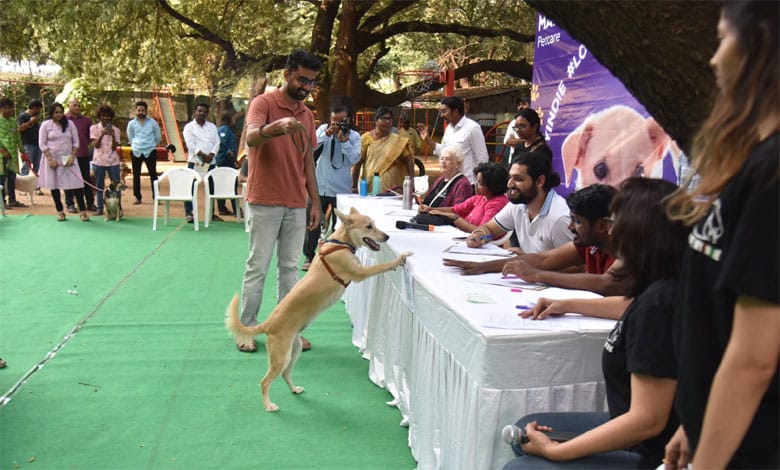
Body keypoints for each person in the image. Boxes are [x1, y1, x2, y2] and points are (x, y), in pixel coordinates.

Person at [663, 3, 779, 468]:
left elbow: (755, 358)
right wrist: (696, 423)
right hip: (719, 431)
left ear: (760, 46)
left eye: (722, 39)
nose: (713, 59)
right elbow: (716, 319)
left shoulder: (773, 174)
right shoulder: (752, 158)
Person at [504, 177, 688, 469]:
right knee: (525, 432)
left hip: (652, 452)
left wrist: (557, 452)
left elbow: (647, 421)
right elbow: (626, 306)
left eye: (615, 221)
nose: (611, 230)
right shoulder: (660, 286)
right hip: (640, 431)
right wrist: (566, 304)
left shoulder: (659, 303)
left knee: (523, 466)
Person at [237, 49, 322, 353]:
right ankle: (246, 329)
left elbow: (308, 163)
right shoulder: (264, 103)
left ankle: (288, 331)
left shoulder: (308, 114)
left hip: (297, 203)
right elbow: (252, 138)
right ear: (286, 75)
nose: (307, 87)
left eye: (312, 82)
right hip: (264, 200)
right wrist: (278, 126)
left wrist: (315, 203)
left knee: (289, 269)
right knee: (257, 267)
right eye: (302, 80)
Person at [453, 152, 572, 256]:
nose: (509, 184)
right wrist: (481, 236)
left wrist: (531, 261)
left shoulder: (560, 218)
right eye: (510, 177)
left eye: (518, 179)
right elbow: (491, 231)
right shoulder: (518, 205)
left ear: (540, 181)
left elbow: (575, 267)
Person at [302, 105, 361, 271]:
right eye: (333, 120)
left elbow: (355, 159)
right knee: (312, 222)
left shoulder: (354, 136)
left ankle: (336, 257)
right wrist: (326, 135)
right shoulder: (322, 129)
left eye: (341, 121)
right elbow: (310, 148)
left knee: (339, 226)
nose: (337, 124)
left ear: (348, 119)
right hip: (320, 185)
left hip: (341, 189)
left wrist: (345, 142)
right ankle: (309, 255)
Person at [417, 95, 489, 185]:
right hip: (451, 181)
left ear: (455, 111)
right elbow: (444, 151)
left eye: (444, 111)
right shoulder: (449, 129)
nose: (442, 115)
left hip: (469, 182)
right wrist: (427, 140)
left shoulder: (472, 128)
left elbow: (482, 157)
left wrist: (479, 183)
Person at [38, 102, 89, 222]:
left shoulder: (70, 124)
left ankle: (82, 211)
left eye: (61, 112)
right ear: (51, 113)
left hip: (68, 158)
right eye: (56, 112)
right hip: (52, 158)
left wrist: (72, 157)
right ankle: (60, 211)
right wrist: (50, 159)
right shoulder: (46, 125)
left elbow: (76, 142)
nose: (59, 114)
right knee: (54, 185)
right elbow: (42, 143)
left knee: (76, 184)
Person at [426, 161, 508, 233]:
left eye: (480, 183)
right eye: (476, 180)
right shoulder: (480, 197)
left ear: (492, 186)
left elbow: (482, 233)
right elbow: (455, 209)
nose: (475, 184)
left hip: (484, 245)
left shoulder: (497, 204)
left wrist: (454, 218)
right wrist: (430, 209)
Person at [352, 106, 413, 194]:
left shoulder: (397, 141)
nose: (387, 121)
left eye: (389, 119)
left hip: (392, 189)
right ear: (376, 120)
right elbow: (357, 162)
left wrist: (411, 182)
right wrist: (354, 187)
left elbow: (408, 161)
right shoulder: (366, 138)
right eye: (383, 118)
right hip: (370, 185)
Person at [182, 102, 221, 223]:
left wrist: (212, 154)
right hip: (196, 161)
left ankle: (211, 213)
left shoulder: (212, 127)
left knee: (212, 188)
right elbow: (191, 145)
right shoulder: (189, 127)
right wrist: (203, 155)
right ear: (195, 112)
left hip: (211, 162)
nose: (202, 113)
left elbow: (217, 142)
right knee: (191, 186)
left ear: (207, 113)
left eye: (204, 111)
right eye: (199, 111)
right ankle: (189, 213)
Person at [416, 145, 473, 212]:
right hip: (427, 218)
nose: (443, 162)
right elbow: (431, 200)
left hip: (443, 221)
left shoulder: (463, 184)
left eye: (447, 159)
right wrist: (417, 199)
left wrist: (431, 210)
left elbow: (459, 211)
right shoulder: (441, 179)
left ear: (457, 164)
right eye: (441, 159)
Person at [127, 101, 162, 205]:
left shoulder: (153, 123)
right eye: (139, 110)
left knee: (153, 175)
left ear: (146, 111)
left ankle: (156, 197)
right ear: (135, 111)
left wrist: (152, 145)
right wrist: (136, 145)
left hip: (150, 150)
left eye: (143, 110)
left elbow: (158, 137)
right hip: (136, 150)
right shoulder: (131, 124)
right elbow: (130, 137)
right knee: (136, 175)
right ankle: (137, 197)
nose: (141, 112)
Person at [89, 104, 121, 216]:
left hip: (113, 161)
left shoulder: (116, 130)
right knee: (99, 186)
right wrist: (102, 134)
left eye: (108, 116)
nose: (105, 118)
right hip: (99, 161)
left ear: (111, 117)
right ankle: (100, 208)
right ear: (99, 116)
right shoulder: (94, 128)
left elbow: (114, 147)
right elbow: (95, 145)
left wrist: (112, 136)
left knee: (115, 186)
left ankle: (115, 209)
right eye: (103, 116)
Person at [64, 98, 95, 212]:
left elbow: (89, 136)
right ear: (69, 106)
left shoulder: (86, 120)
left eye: (78, 105)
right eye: (74, 105)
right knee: (68, 179)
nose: (77, 107)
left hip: (83, 154)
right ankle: (70, 203)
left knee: (86, 179)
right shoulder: (64, 120)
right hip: (68, 155)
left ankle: (90, 203)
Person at [0, 97, 24, 208]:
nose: (8, 110)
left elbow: (17, 137)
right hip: (2, 156)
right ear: (1, 109)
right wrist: (3, 151)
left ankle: (12, 200)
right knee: (2, 179)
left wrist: (23, 152)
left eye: (10, 108)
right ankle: (2, 202)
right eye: (6, 108)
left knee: (12, 178)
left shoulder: (14, 122)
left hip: (13, 155)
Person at [216, 110, 238, 216]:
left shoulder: (229, 130)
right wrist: (228, 151)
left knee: (224, 183)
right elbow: (222, 141)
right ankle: (235, 209)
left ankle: (223, 207)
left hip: (229, 160)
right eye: (233, 118)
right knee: (230, 184)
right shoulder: (224, 129)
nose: (234, 120)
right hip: (224, 160)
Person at [17, 99, 43, 180]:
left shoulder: (35, 117)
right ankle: (22, 187)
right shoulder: (23, 116)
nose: (39, 111)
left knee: (38, 166)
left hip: (37, 144)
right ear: (34, 108)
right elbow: (19, 129)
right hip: (27, 145)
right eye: (38, 109)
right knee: (26, 166)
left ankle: (36, 186)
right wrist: (30, 122)